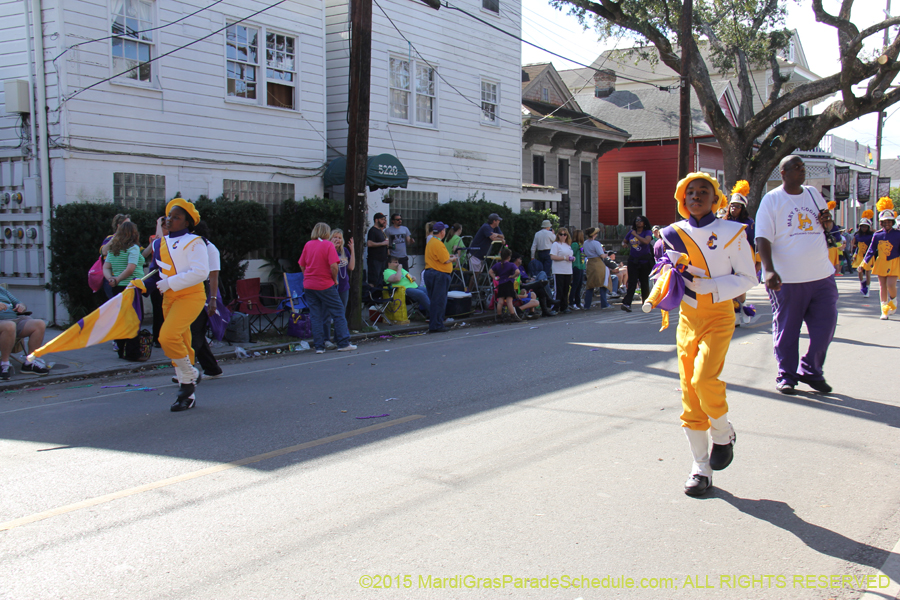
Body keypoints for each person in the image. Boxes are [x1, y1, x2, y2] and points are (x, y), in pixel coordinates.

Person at [659, 172, 756, 496]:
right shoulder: (672, 234)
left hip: (718, 316)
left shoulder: (733, 232)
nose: (696, 196)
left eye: (704, 191)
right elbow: (667, 274)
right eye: (690, 192)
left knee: (704, 380)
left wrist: (712, 286)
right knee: (689, 393)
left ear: (716, 200)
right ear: (682, 199)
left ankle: (723, 433)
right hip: (687, 319)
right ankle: (701, 468)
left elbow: (749, 277)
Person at [756, 155, 838, 396]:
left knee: (825, 328)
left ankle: (811, 370)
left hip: (821, 275)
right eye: (796, 167)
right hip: (788, 279)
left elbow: (827, 226)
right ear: (783, 172)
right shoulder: (772, 200)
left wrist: (828, 222)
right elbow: (762, 237)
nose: (802, 170)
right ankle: (787, 375)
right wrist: (769, 269)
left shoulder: (813, 194)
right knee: (788, 331)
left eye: (803, 167)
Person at [154, 198, 210, 412]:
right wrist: (140, 284)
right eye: (169, 216)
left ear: (187, 223)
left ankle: (190, 374)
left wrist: (170, 282)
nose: (170, 220)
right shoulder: (159, 243)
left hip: (190, 296)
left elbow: (201, 272)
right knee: (182, 344)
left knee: (167, 337)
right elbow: (156, 271)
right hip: (169, 297)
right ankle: (187, 395)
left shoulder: (195, 242)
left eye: (176, 217)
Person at [299, 222, 357, 355]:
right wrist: (334, 279)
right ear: (326, 233)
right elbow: (334, 266)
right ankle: (343, 342)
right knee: (338, 311)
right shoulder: (328, 245)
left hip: (309, 284)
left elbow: (302, 264)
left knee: (316, 315)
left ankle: (319, 346)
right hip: (324, 283)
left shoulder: (308, 244)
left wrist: (307, 276)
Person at [102, 221, 146, 357]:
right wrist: (118, 279)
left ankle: (121, 350)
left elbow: (106, 267)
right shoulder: (133, 248)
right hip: (131, 287)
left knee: (121, 319)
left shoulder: (113, 249)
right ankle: (133, 352)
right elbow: (131, 268)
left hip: (117, 288)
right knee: (134, 319)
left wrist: (111, 279)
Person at [187, 221, 223, 379]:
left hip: (204, 294)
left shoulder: (210, 249)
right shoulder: (189, 248)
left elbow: (213, 276)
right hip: (190, 293)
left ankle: (187, 369)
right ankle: (212, 368)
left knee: (194, 332)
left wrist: (213, 299)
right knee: (196, 332)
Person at [858, 197, 900, 320]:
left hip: (894, 262)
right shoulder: (877, 235)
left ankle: (893, 301)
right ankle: (884, 310)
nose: (887, 224)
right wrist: (863, 264)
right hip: (881, 262)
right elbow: (871, 250)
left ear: (892, 222)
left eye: (889, 221)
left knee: (891, 285)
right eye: (884, 222)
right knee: (882, 286)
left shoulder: (898, 234)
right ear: (881, 223)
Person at [727, 181, 758, 324]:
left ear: (743, 208)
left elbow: (753, 243)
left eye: (738, 206)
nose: (734, 208)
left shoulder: (749, 223)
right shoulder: (723, 222)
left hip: (743, 258)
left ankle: (742, 309)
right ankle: (733, 314)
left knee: (740, 287)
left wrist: (756, 263)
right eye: (732, 205)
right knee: (729, 287)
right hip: (726, 258)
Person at [0, 287, 48, 379]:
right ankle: (4, 364)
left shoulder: (2, 290)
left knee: (39, 324)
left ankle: (30, 363)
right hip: (4, 323)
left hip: (15, 320)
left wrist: (21, 306)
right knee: (10, 326)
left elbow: (19, 302)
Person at [321, 228, 355, 349]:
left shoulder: (344, 251)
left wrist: (352, 250)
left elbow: (351, 267)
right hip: (330, 286)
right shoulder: (327, 250)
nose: (337, 240)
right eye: (335, 237)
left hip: (343, 286)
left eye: (339, 238)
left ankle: (338, 338)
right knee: (326, 313)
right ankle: (326, 339)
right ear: (330, 239)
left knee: (340, 313)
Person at [423, 222, 457, 333]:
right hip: (439, 274)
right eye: (444, 230)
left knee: (434, 300)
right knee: (439, 301)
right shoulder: (438, 243)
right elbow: (445, 260)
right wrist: (453, 258)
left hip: (431, 273)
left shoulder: (431, 242)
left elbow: (439, 257)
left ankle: (434, 324)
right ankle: (437, 325)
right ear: (442, 232)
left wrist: (448, 256)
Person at [143, 216, 168, 347]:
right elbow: (159, 240)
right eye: (163, 226)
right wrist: (158, 223)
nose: (165, 228)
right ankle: (157, 338)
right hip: (157, 277)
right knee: (158, 309)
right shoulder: (154, 239)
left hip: (168, 277)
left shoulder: (174, 239)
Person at [620, 215, 654, 312]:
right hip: (633, 261)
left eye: (640, 220)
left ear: (644, 223)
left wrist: (635, 235)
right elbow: (624, 241)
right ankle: (627, 303)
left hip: (644, 261)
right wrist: (624, 244)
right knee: (632, 282)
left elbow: (646, 241)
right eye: (637, 220)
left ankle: (646, 304)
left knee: (644, 282)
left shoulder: (647, 232)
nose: (638, 222)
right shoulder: (631, 232)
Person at [582, 227, 619, 310]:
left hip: (590, 263)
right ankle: (604, 304)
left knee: (590, 285)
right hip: (598, 263)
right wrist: (607, 255)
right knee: (603, 283)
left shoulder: (585, 243)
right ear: (594, 235)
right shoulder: (596, 243)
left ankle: (587, 305)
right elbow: (602, 255)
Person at [489, 247, 522, 322]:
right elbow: (517, 272)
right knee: (509, 301)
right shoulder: (511, 265)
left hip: (501, 284)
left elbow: (490, 271)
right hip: (509, 283)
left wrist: (495, 278)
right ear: (509, 257)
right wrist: (513, 276)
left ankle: (499, 316)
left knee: (500, 301)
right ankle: (513, 315)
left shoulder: (498, 265)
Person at [468, 213, 505, 279]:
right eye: (498, 220)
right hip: (475, 253)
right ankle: (470, 286)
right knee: (476, 274)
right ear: (494, 221)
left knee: (478, 274)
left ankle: (474, 286)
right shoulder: (486, 227)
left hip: (482, 255)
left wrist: (497, 235)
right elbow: (493, 238)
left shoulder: (496, 227)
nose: (499, 221)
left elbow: (502, 236)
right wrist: (501, 239)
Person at [550, 227, 575, 313]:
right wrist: (564, 258)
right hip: (558, 270)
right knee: (559, 289)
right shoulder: (556, 244)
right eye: (561, 234)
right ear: (558, 235)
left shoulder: (568, 245)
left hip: (568, 270)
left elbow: (569, 255)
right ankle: (555, 307)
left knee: (566, 289)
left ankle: (564, 306)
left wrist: (572, 258)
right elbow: (552, 256)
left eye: (565, 235)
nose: (563, 236)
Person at [851, 210, 875, 296]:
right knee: (859, 271)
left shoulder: (872, 235)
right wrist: (854, 255)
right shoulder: (857, 235)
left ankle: (867, 288)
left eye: (866, 226)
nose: (864, 228)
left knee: (868, 272)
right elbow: (856, 246)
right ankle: (862, 284)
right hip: (860, 255)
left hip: (868, 256)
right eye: (862, 226)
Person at [366, 213, 390, 286]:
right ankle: (371, 292)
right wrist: (383, 243)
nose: (384, 221)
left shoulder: (380, 231)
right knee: (373, 280)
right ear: (376, 220)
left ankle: (378, 292)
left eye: (384, 219)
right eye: (382, 219)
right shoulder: (372, 230)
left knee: (381, 280)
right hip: (375, 260)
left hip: (382, 259)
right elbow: (369, 243)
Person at [821, 206, 845, 276]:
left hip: (831, 248)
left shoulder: (834, 227)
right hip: (820, 247)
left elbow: (838, 238)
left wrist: (832, 238)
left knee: (833, 262)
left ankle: (834, 273)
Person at [569, 229, 585, 310]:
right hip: (576, 265)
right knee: (575, 285)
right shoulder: (575, 244)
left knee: (579, 285)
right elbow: (572, 254)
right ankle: (571, 302)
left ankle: (577, 302)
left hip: (581, 266)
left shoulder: (581, 244)